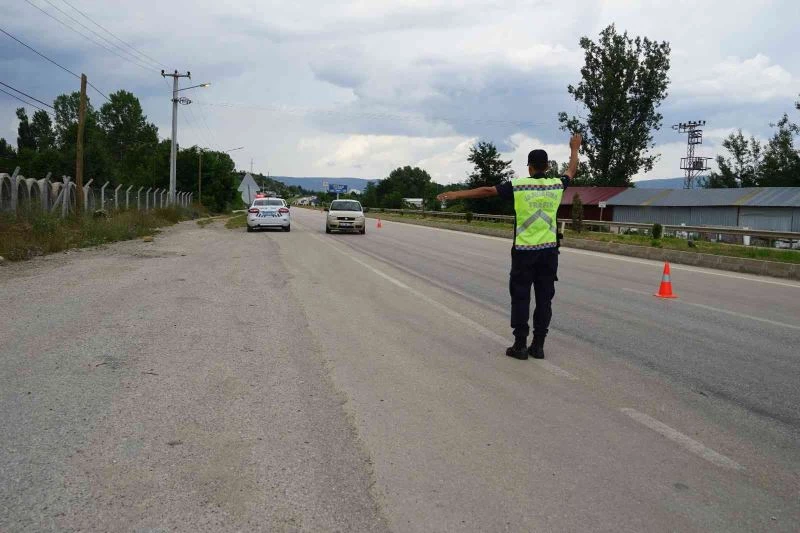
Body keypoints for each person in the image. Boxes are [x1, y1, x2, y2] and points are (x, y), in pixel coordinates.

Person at [436, 134, 582, 360]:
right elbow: (571, 171)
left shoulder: (519, 185)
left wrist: (455, 194)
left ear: (530, 167)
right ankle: (539, 345)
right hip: (549, 253)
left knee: (521, 297)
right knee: (544, 299)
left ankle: (520, 345)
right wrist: (574, 148)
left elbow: (487, 191)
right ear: (547, 166)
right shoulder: (556, 184)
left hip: (524, 252)